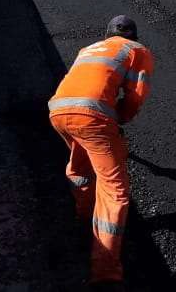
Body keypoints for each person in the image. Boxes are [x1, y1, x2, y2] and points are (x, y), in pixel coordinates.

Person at [49, 15, 154, 287]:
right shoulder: (137, 51)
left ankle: (83, 217)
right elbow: (134, 97)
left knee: (80, 165)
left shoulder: (89, 49)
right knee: (114, 191)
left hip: (59, 111)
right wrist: (119, 119)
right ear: (134, 36)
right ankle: (105, 272)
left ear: (107, 35)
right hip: (93, 118)